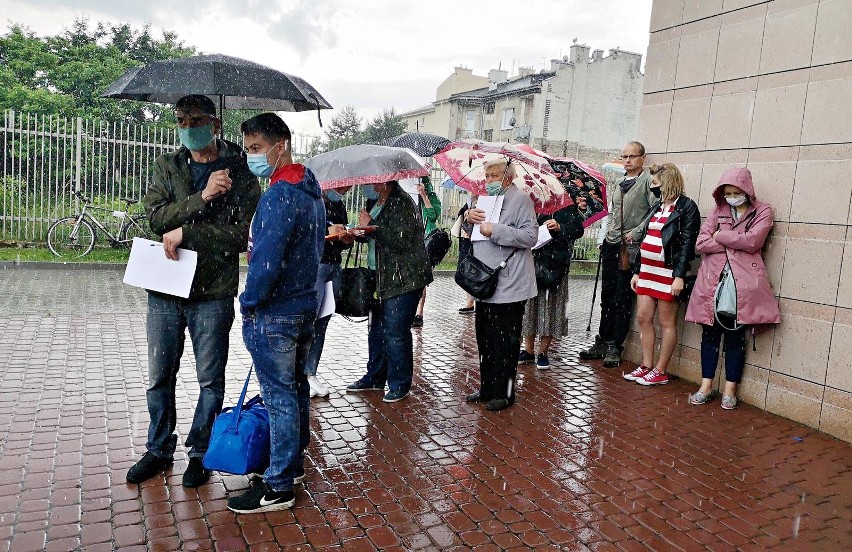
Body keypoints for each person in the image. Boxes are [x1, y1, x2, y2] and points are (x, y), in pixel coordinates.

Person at [128, 95, 261, 487]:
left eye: (196, 119)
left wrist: (191, 232)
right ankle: (158, 449)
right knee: (159, 376)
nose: (188, 126)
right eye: (182, 119)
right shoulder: (168, 165)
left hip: (214, 292)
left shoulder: (239, 170)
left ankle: (200, 453)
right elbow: (155, 219)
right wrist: (200, 198)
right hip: (167, 289)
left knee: (210, 379)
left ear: (215, 124)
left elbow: (242, 235)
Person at [226, 113, 325, 513]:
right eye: (248, 149)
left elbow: (265, 262)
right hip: (304, 306)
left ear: (280, 145)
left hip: (276, 312)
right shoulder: (310, 191)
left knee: (279, 397)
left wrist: (248, 302)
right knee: (296, 390)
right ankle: (291, 465)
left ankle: (279, 485)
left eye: (255, 148)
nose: (252, 156)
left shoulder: (281, 195)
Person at [684, 167, 780, 409]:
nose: (731, 196)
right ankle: (705, 386)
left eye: (736, 192)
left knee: (736, 337)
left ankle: (730, 390)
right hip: (712, 282)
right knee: (710, 334)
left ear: (747, 191)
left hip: (743, 285)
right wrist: (731, 239)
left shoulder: (763, 210)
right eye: (727, 192)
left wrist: (721, 236)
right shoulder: (718, 210)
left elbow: (753, 241)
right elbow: (701, 243)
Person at [346, 181, 433, 402]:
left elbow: (400, 239)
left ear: (385, 180)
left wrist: (371, 224)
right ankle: (375, 377)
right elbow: (377, 234)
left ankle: (400, 383)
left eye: (372, 180)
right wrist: (359, 232)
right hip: (380, 277)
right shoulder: (375, 199)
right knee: (376, 330)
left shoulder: (403, 202)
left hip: (404, 278)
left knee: (395, 331)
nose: (367, 184)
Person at [464, 159, 538, 411]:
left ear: (507, 177)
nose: (488, 180)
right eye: (486, 176)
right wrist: (467, 216)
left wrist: (496, 230)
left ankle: (504, 393)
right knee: (484, 338)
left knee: (505, 341)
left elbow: (530, 236)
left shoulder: (521, 200)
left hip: (510, 282)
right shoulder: (482, 200)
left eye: (493, 175)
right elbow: (468, 231)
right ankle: (486, 388)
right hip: (484, 281)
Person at [579, 141, 655, 367]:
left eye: (632, 156)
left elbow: (654, 212)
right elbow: (613, 214)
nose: (628, 160)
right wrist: (605, 237)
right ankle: (602, 339)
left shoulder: (647, 182)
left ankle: (615, 344)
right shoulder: (620, 182)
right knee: (607, 295)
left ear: (643, 158)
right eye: (625, 156)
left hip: (630, 247)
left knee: (622, 298)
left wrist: (637, 232)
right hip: (612, 245)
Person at [624, 163, 700, 385]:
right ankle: (646, 365)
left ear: (668, 183)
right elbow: (645, 238)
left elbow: (687, 243)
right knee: (643, 317)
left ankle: (660, 370)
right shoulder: (657, 207)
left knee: (666, 322)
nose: (653, 188)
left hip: (667, 272)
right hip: (647, 270)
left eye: (655, 184)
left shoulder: (687, 207)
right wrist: (637, 271)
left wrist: (679, 275)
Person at [519, 203, 585, 369]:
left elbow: (578, 230)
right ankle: (528, 350)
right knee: (530, 307)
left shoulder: (567, 204)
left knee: (552, 308)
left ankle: (543, 352)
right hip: (532, 262)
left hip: (556, 266)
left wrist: (559, 227)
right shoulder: (530, 203)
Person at [304, 186, 353, 398]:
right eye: (343, 187)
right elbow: (304, 231)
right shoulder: (312, 200)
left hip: (333, 266)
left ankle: (311, 372)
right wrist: (326, 231)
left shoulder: (338, 204)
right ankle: (300, 374)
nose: (345, 190)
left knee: (322, 321)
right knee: (308, 320)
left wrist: (345, 237)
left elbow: (341, 232)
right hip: (315, 266)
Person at [413, 176, 442, 328]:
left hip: (426, 243)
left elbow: (433, 216)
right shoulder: (408, 197)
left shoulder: (432, 197)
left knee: (421, 281)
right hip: (412, 243)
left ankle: (419, 313)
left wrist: (424, 196)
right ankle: (410, 311)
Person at [457, 194, 477, 314]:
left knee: (473, 271)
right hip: (465, 239)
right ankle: (469, 302)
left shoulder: (483, 200)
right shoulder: (469, 201)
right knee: (465, 271)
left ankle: (471, 303)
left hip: (474, 241)